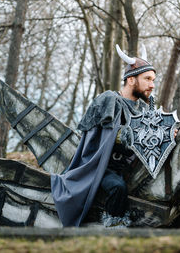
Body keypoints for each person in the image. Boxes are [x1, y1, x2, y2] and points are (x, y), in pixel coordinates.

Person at [51, 45, 159, 227]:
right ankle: (112, 224)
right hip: (100, 167)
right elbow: (109, 136)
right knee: (118, 187)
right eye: (147, 79)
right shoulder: (109, 99)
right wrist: (137, 135)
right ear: (131, 80)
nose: (152, 85)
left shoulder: (144, 109)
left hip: (128, 168)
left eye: (153, 80)